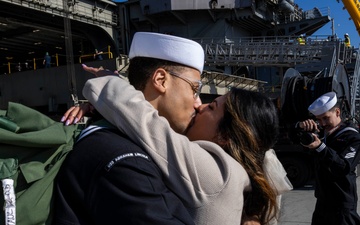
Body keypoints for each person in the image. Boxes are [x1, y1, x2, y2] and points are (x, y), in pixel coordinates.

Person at [60, 33, 292, 224]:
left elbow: (147, 124)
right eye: (195, 89)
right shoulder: (241, 171)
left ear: (225, 136)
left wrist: (108, 82)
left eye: (211, 107)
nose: (199, 104)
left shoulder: (218, 172)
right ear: (160, 80)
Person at [297, 92, 360, 225]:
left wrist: (320, 147)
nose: (322, 123)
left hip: (342, 204)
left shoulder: (352, 137)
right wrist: (300, 126)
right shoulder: (322, 133)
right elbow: (293, 136)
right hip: (322, 202)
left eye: (326, 118)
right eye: (318, 119)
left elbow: (343, 167)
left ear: (337, 112)